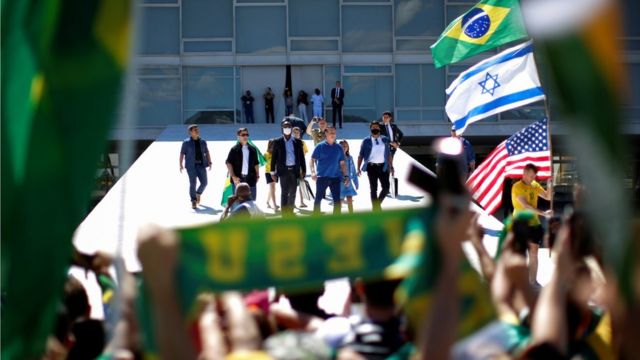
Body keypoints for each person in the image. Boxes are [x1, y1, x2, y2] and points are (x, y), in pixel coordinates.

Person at [511, 163, 553, 288]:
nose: (532, 179)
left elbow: (547, 196)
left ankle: (533, 281)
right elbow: (526, 207)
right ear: (523, 174)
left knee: (534, 253)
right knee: (519, 254)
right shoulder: (516, 187)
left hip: (534, 224)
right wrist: (544, 213)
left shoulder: (535, 185)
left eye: (533, 176)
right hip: (520, 224)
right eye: (529, 176)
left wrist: (549, 184)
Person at [270, 119, 306, 216]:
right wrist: (272, 172)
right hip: (283, 171)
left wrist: (304, 170)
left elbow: (301, 157)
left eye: (289, 127)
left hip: (294, 170)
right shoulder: (277, 142)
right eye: (285, 127)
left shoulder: (298, 142)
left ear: (291, 128)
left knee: (293, 192)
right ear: (282, 128)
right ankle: (284, 213)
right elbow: (273, 158)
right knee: (284, 192)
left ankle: (290, 212)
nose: (287, 128)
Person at [310, 126, 349, 215]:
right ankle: (315, 217)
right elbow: (312, 160)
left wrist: (346, 176)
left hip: (336, 178)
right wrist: (313, 172)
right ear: (326, 133)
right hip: (322, 177)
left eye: (334, 132)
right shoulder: (320, 146)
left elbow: (342, 163)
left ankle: (336, 221)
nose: (333, 134)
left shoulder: (339, 147)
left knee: (337, 201)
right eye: (331, 132)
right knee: (318, 199)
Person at [357, 121, 393, 211]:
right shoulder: (366, 141)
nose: (375, 129)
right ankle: (375, 209)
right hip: (371, 167)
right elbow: (361, 155)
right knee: (373, 189)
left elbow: (388, 154)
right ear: (370, 129)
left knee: (386, 188)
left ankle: (377, 205)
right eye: (373, 127)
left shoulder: (385, 139)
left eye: (376, 127)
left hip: (383, 167)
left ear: (379, 128)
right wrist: (358, 168)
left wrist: (391, 165)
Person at [179, 124, 212, 209]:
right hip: (191, 166)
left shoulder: (203, 142)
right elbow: (182, 153)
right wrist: (180, 164)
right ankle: (193, 200)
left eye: (197, 130)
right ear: (190, 132)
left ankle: (198, 193)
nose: (197, 131)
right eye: (195, 130)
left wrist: (210, 162)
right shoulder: (186, 142)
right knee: (193, 183)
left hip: (201, 165)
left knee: (204, 183)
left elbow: (207, 152)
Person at [225, 128, 260, 200]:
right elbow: (228, 163)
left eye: (247, 135)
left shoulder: (253, 149)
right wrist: (233, 176)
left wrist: (257, 175)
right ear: (238, 137)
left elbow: (256, 163)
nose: (245, 136)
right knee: (237, 202)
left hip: (251, 178)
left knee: (252, 201)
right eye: (243, 135)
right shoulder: (234, 149)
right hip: (238, 179)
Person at [339, 140, 358, 214]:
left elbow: (353, 170)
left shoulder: (350, 158)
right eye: (341, 146)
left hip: (348, 182)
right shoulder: (336, 158)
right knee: (340, 201)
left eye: (345, 146)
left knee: (350, 199)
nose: (343, 148)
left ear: (347, 148)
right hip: (340, 182)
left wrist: (356, 182)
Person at [293, 127, 309, 208]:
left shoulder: (302, 143)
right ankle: (293, 202)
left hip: (300, 166)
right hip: (293, 167)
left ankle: (302, 202)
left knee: (301, 185)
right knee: (293, 186)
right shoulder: (290, 142)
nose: (296, 134)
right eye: (294, 132)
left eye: (297, 132)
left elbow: (304, 154)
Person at [264, 139, 279, 211]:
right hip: (268, 172)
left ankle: (267, 201)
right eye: (272, 145)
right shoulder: (266, 154)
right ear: (269, 145)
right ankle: (275, 205)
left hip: (275, 172)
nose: (274, 146)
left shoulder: (277, 153)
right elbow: (263, 162)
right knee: (272, 188)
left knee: (273, 188)